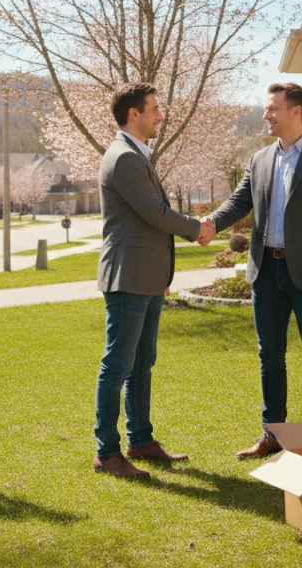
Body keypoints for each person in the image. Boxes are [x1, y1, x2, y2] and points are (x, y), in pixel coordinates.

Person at [203, 82, 302, 458]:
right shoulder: (260, 159)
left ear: (296, 111)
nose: (266, 115)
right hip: (265, 272)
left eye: (272, 109)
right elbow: (239, 202)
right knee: (270, 356)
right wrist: (209, 224)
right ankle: (273, 433)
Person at [93, 82, 216, 477]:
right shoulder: (124, 158)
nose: (161, 115)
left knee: (143, 362)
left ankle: (140, 440)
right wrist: (198, 227)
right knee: (119, 364)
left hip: (145, 277)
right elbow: (156, 214)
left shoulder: (135, 155)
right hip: (128, 277)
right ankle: (107, 452)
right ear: (134, 113)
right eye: (154, 108)